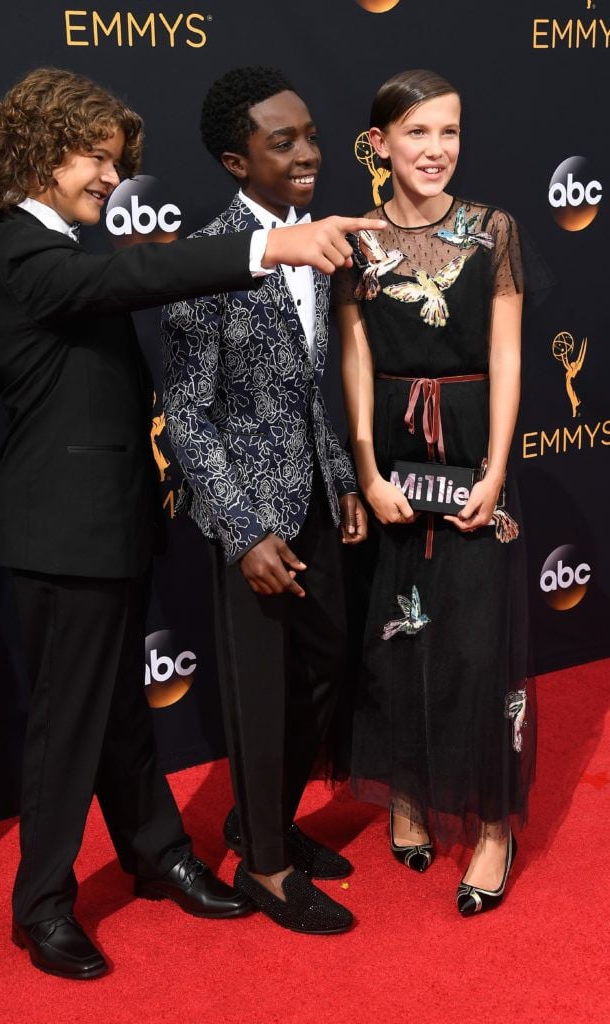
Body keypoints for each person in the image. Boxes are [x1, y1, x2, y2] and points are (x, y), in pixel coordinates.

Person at [0, 66, 381, 979]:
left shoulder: (58, 250)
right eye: (96, 161)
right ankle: (40, 906)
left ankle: (156, 855)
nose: (111, 182)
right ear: (42, 154)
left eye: (116, 164)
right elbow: (147, 271)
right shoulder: (18, 254)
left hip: (111, 521)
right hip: (60, 531)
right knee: (68, 727)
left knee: (121, 714)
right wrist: (271, 249)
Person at [162, 66, 368, 935]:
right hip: (249, 514)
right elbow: (187, 414)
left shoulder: (320, 244)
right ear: (234, 160)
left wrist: (345, 479)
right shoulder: (207, 260)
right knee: (258, 690)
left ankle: (263, 820)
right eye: (281, 142)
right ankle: (267, 869)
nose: (308, 153)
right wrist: (244, 529)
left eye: (310, 134)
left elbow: (307, 390)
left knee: (325, 667)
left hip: (317, 494)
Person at [336, 69, 536, 916]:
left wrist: (494, 471)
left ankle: (493, 826)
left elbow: (506, 355)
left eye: (448, 132)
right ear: (378, 144)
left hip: (471, 448)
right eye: (417, 133)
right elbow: (350, 354)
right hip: (390, 450)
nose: (436, 150)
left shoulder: (494, 229)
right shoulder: (355, 239)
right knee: (394, 632)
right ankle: (409, 793)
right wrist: (367, 469)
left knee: (477, 644)